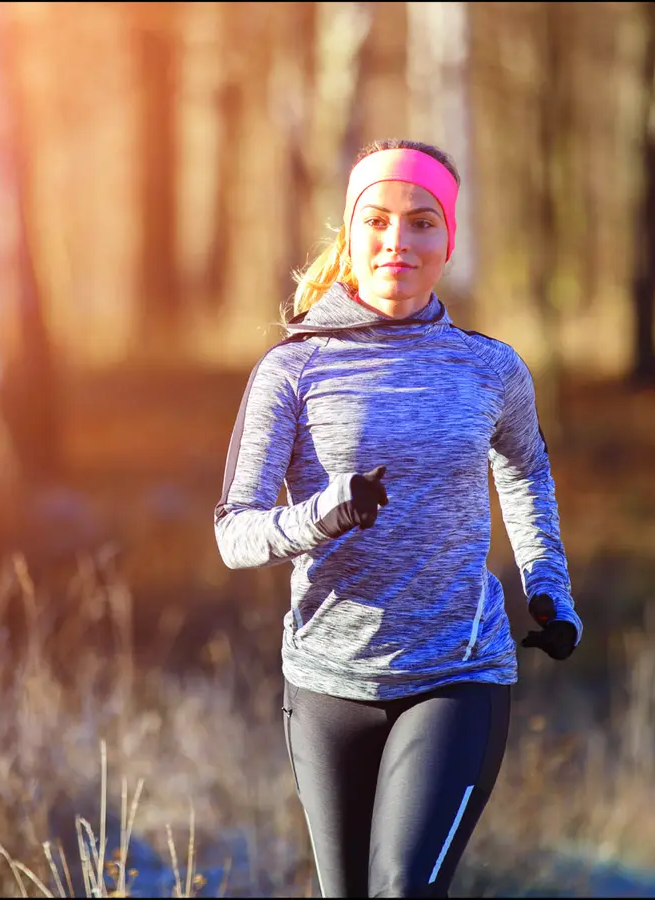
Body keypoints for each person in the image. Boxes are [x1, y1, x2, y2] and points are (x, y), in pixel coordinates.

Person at [212, 139, 582, 898]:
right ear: (351, 233)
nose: (397, 242)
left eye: (422, 222)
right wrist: (323, 514)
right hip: (326, 683)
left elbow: (527, 475)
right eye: (377, 220)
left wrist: (550, 589)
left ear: (449, 240)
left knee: (402, 889)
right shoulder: (294, 367)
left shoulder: (491, 368)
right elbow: (233, 532)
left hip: (457, 673)